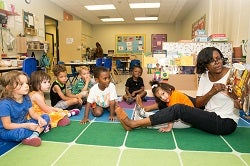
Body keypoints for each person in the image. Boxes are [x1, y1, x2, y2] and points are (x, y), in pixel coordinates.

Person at [115, 47, 242, 135]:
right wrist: (212, 92)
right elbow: (198, 103)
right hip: (207, 112)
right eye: (212, 61)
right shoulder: (204, 76)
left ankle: (134, 123)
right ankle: (147, 111)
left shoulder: (233, 74)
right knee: (178, 96)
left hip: (224, 122)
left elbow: (243, 105)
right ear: (205, 65)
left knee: (179, 108)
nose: (217, 62)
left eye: (219, 58)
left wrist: (237, 101)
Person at [0, 71, 50, 147]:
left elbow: (32, 114)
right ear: (9, 87)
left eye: (26, 83)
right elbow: (7, 125)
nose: (26, 86)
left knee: (45, 117)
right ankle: (38, 131)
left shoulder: (26, 97)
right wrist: (26, 125)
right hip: (8, 130)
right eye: (21, 84)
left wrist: (39, 118)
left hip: (25, 124)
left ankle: (34, 134)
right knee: (20, 133)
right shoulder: (4, 104)